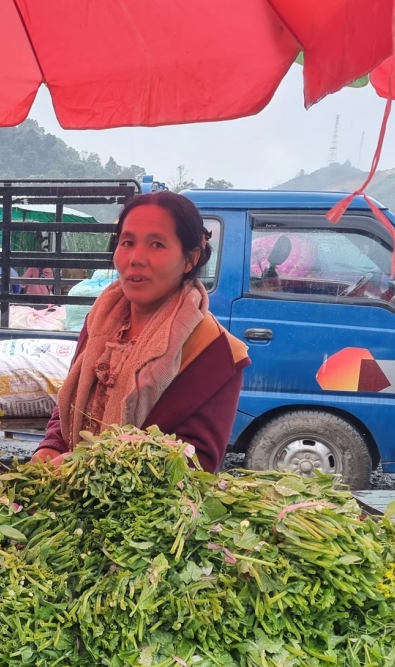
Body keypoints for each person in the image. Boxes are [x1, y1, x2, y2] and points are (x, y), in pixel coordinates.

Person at [33, 192, 249, 473]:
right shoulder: (99, 322)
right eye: (127, 243)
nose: (136, 258)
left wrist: (90, 468)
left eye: (157, 244)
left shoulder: (215, 352)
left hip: (142, 513)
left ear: (190, 259)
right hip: (64, 498)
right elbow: (71, 402)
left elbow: (196, 463)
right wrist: (51, 446)